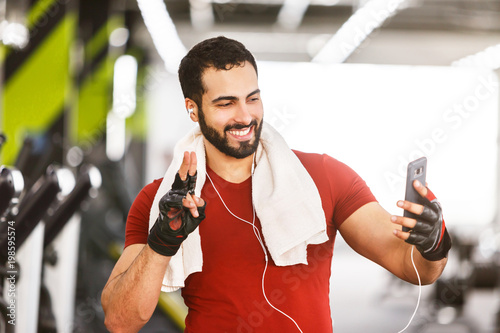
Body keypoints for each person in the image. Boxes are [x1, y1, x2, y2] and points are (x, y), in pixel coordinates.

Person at [101, 36, 451, 333]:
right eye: (226, 103)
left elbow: (412, 268)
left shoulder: (324, 177)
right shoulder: (163, 201)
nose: (244, 116)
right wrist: (162, 242)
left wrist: (434, 244)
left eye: (252, 98)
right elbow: (120, 319)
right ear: (193, 109)